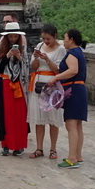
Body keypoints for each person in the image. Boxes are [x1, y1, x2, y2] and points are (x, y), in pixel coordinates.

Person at [48, 28, 88, 169]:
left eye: (65, 38)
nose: (63, 41)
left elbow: (73, 70)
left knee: (71, 124)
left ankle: (72, 158)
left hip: (74, 89)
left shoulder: (72, 53)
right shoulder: (79, 52)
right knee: (77, 125)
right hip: (80, 89)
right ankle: (77, 155)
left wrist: (56, 77)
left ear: (71, 39)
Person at [0, 22, 30, 156]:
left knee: (18, 116)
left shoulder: (23, 49)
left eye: (14, 37)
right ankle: (5, 144)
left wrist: (19, 58)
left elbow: (26, 69)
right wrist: (7, 56)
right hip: (4, 84)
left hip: (18, 86)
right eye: (10, 37)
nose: (12, 39)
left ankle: (18, 145)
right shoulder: (1, 49)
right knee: (5, 115)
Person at [26, 24, 66, 160]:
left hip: (52, 83)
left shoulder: (61, 50)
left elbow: (58, 70)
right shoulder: (39, 46)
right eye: (44, 38)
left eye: (48, 39)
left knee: (53, 118)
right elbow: (33, 66)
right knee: (39, 118)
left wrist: (47, 59)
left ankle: (53, 149)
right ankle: (39, 148)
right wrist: (37, 58)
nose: (46, 42)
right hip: (38, 82)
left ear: (54, 37)